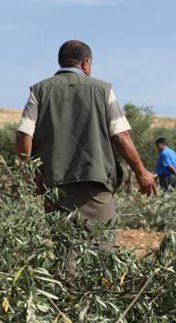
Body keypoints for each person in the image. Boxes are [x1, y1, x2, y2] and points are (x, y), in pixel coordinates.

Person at [15, 39, 156, 282]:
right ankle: (96, 305)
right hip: (95, 182)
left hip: (55, 185)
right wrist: (141, 171)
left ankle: (68, 305)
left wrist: (29, 173)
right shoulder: (102, 90)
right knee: (102, 249)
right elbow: (121, 135)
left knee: (66, 250)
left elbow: (24, 134)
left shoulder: (40, 90)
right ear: (86, 63)